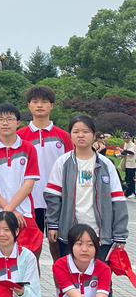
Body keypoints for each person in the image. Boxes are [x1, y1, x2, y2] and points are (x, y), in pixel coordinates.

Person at [45, 115, 128, 261]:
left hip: (100, 234)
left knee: (100, 273)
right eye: (76, 132)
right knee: (71, 272)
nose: (81, 135)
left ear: (94, 135)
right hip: (69, 232)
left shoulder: (106, 164)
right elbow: (53, 197)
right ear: (70, 135)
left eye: (86, 131)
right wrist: (52, 224)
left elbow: (118, 200)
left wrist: (120, 234)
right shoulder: (62, 162)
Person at [17, 86, 72, 262]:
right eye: (35, 101)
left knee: (59, 252)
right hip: (30, 201)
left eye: (44, 101)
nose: (39, 105)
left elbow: (71, 168)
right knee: (32, 252)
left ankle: (60, 282)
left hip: (57, 200)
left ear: (52, 105)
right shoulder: (19, 136)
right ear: (29, 105)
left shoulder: (64, 136)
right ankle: (35, 282)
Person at [0, 104, 40, 237]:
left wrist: (8, 210)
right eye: (0, 119)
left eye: (9, 119)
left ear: (18, 123)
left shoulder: (29, 148)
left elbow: (28, 185)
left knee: (25, 249)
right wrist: (9, 211)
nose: (5, 123)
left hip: (23, 213)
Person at [120, 132, 136, 198]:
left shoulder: (132, 145)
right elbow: (125, 152)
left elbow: (131, 152)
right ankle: (128, 192)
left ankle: (132, 192)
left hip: (132, 164)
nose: (123, 139)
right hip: (127, 163)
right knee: (127, 178)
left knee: (131, 179)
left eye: (125, 138)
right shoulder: (126, 144)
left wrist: (123, 150)